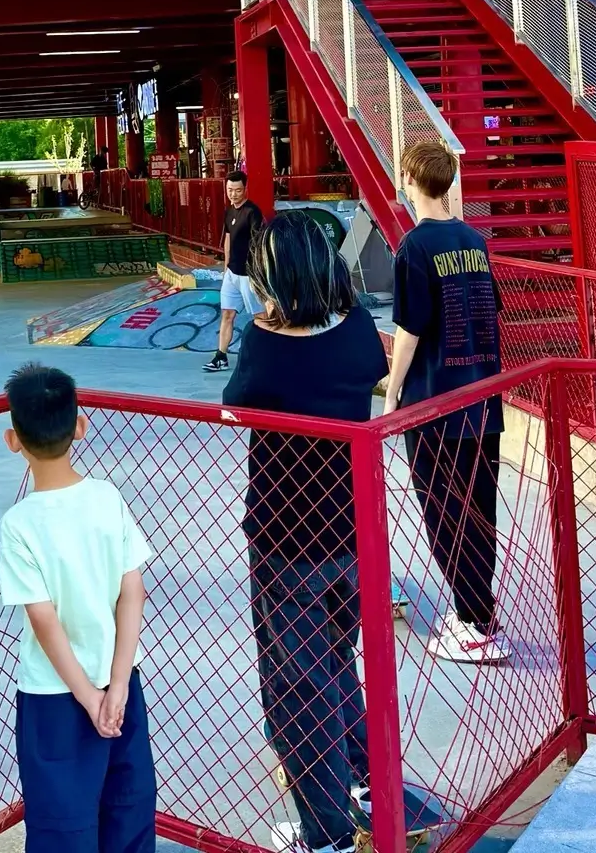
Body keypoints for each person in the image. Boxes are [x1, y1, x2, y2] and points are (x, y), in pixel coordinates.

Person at [223, 211, 388, 853]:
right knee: (336, 659)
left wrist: (267, 324)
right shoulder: (356, 330)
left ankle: (325, 832)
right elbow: (366, 368)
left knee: (295, 680)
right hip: (350, 526)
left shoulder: (268, 342)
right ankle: (368, 781)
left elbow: (239, 401)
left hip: (283, 534)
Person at [0, 364, 155, 853]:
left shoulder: (19, 524)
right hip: (121, 684)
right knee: (127, 805)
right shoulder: (108, 497)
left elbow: (43, 620)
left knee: (61, 823)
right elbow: (134, 591)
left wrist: (87, 697)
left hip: (53, 695)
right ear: (80, 426)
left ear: (12, 440)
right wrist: (118, 684)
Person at [384, 139, 508, 666]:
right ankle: (478, 612)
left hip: (435, 404)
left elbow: (410, 330)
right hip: (482, 396)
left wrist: (391, 396)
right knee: (479, 510)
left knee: (443, 512)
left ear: (411, 180)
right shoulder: (474, 242)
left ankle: (473, 624)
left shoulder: (414, 248)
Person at [204, 170, 264, 374]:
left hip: (249, 274)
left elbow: (259, 242)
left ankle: (265, 357)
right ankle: (221, 357)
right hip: (231, 273)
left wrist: (258, 273)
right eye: (230, 190)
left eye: (238, 190)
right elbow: (228, 239)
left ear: (245, 189)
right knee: (227, 314)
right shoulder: (229, 211)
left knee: (260, 317)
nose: (233, 194)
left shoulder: (252, 212)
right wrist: (225, 268)